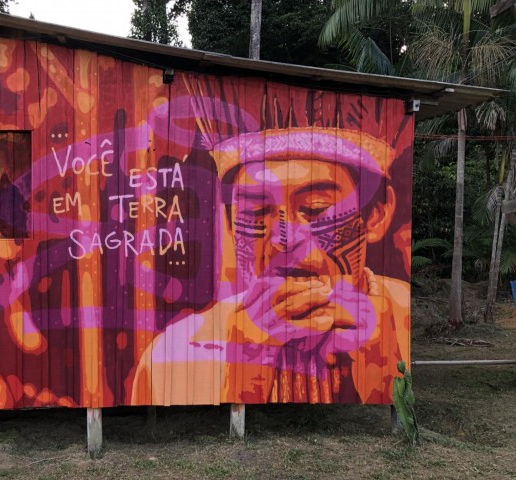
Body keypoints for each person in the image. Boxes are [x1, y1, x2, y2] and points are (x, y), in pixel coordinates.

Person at [131, 127, 410, 406]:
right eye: (256, 212)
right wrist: (243, 371)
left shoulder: (403, 317)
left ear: (375, 215)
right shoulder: (172, 355)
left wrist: (383, 370)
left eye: (315, 208)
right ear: (229, 224)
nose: (283, 239)